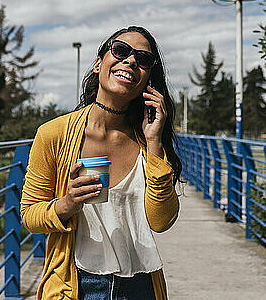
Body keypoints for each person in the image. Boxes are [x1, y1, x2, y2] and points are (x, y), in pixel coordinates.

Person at [20, 25, 182, 300]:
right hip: (78, 285)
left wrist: (155, 143)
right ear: (99, 63)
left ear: (147, 80)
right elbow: (29, 216)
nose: (130, 60)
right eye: (120, 51)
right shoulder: (53, 135)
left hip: (141, 286)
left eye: (143, 59)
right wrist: (68, 203)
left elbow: (161, 221)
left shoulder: (148, 140)